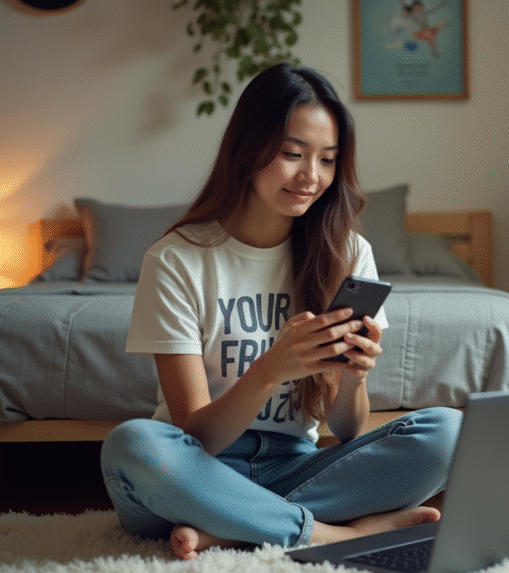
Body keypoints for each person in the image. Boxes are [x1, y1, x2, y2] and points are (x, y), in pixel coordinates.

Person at [99, 63, 461, 561]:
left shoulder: (348, 254)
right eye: (292, 154)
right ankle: (336, 536)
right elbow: (194, 436)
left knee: (448, 433)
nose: (311, 177)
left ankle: (230, 529)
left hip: (297, 466)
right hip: (196, 471)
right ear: (248, 150)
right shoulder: (177, 259)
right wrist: (269, 371)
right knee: (133, 447)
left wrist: (354, 379)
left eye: (328, 160)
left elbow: (349, 430)